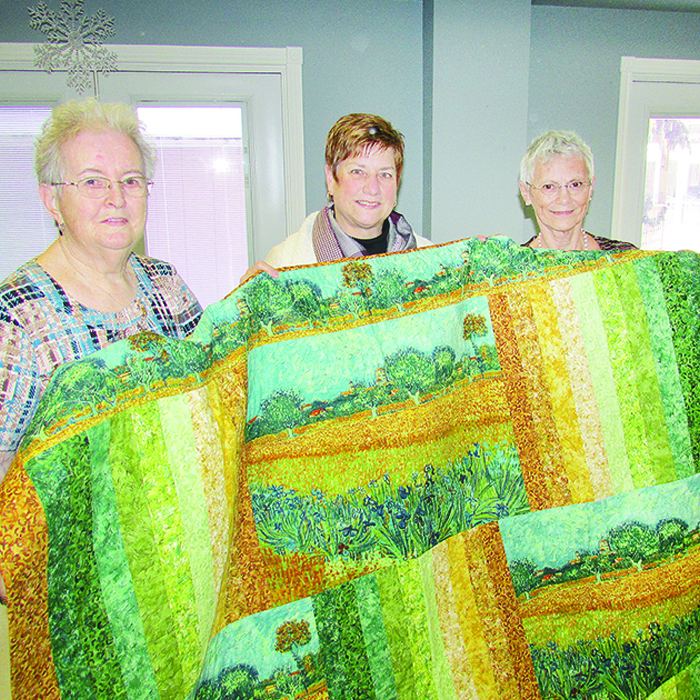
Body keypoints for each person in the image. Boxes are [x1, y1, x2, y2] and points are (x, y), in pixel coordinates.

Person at [0, 99, 203, 480]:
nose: (117, 197)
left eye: (130, 180)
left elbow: (216, 388)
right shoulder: (17, 317)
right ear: (51, 199)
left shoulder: (165, 284)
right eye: (93, 181)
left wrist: (254, 305)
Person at [241, 113, 432, 282]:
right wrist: (244, 311)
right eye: (358, 171)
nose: (373, 188)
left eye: (385, 175)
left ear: (397, 184)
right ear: (331, 179)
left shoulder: (430, 260)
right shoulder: (285, 264)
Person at [519, 130, 637, 251]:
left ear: (591, 188)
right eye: (549, 187)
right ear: (526, 193)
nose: (564, 199)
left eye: (575, 184)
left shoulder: (628, 259)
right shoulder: (509, 267)